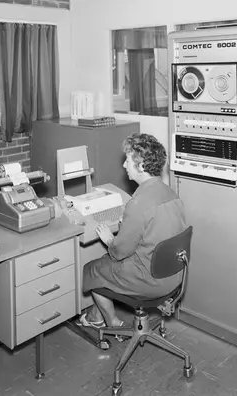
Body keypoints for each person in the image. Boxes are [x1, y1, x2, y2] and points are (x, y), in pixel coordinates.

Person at [79, 133, 187, 329]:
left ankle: (111, 322)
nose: (124, 165)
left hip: (150, 281)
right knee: (106, 266)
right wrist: (128, 225)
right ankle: (95, 314)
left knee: (93, 268)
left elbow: (119, 252)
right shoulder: (172, 194)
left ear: (141, 166)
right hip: (175, 274)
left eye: (127, 160)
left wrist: (109, 239)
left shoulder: (138, 203)